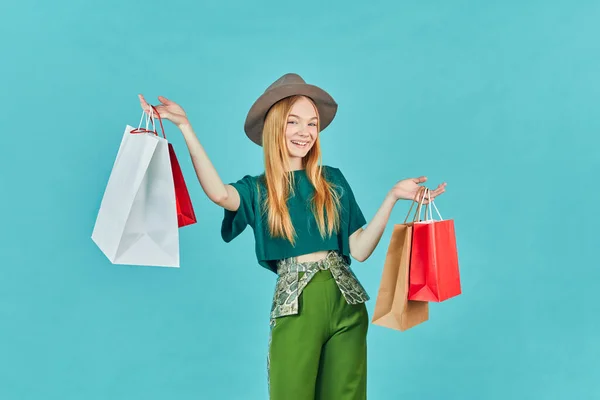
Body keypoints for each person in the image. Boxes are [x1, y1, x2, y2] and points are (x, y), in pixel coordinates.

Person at [138, 73, 446, 400]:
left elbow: (359, 249)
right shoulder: (258, 189)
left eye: (312, 124)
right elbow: (218, 194)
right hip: (296, 306)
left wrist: (392, 197)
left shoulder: (332, 180)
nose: (305, 132)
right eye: (294, 122)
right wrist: (185, 127)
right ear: (275, 127)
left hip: (348, 303)